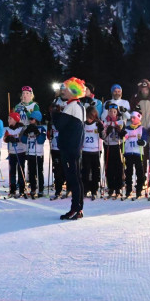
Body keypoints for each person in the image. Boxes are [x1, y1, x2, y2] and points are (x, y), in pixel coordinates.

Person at [52, 77, 86, 220]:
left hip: (69, 148)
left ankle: (75, 209)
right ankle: (78, 208)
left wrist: (54, 113)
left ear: (72, 91)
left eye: (65, 89)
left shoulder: (71, 106)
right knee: (76, 178)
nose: (62, 91)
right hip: (74, 147)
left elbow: (59, 125)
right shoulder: (79, 105)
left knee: (73, 179)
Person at [102, 102, 126, 199]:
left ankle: (118, 187)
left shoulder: (120, 122)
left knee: (118, 167)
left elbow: (124, 136)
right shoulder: (105, 122)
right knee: (109, 167)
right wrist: (106, 132)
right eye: (110, 111)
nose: (112, 113)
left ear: (117, 113)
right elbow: (102, 136)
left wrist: (120, 132)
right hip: (108, 146)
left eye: (114, 112)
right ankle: (111, 187)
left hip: (117, 146)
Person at [80, 106, 102, 200]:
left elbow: (103, 136)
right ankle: (85, 189)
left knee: (95, 171)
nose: (89, 119)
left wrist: (101, 129)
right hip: (86, 150)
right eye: (87, 117)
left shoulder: (97, 124)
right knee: (85, 171)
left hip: (95, 151)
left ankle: (94, 189)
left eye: (90, 117)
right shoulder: (83, 124)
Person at [23, 111, 46, 199]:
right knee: (31, 173)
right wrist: (26, 132)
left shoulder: (41, 129)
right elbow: (23, 140)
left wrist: (36, 132)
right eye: (30, 119)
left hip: (38, 154)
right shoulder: (28, 128)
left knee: (39, 172)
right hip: (30, 153)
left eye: (31, 119)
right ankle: (33, 188)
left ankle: (40, 189)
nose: (30, 120)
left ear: (36, 120)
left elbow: (41, 141)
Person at [123, 111, 146, 201]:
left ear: (138, 119)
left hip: (138, 153)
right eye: (131, 118)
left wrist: (142, 142)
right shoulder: (127, 128)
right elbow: (124, 138)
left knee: (139, 173)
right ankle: (128, 190)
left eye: (134, 118)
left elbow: (145, 139)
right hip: (129, 153)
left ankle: (139, 190)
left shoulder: (142, 128)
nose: (132, 119)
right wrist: (122, 135)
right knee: (128, 173)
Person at [5, 112, 26, 198]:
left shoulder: (21, 128)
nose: (8, 120)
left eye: (10, 118)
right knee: (12, 171)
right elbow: (5, 138)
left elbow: (23, 138)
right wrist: (8, 138)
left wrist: (16, 139)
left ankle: (22, 189)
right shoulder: (8, 129)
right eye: (8, 118)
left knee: (20, 171)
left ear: (15, 119)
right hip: (12, 153)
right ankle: (12, 189)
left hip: (20, 152)